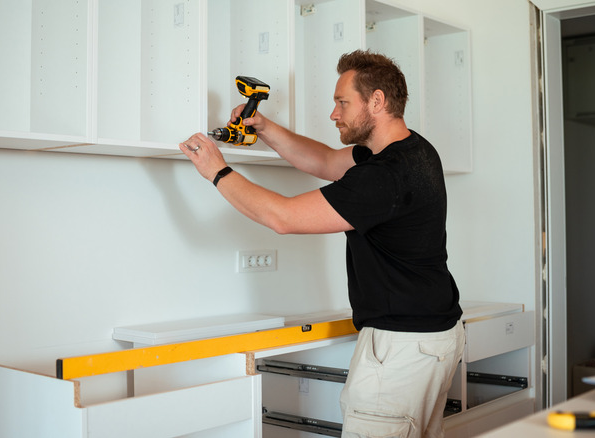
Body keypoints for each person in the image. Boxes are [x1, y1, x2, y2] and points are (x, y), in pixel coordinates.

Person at [181, 49, 464, 438]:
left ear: (377, 101)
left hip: (400, 346)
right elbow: (328, 162)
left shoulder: (385, 176)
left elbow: (282, 217)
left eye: (342, 102)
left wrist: (217, 170)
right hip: (433, 337)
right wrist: (263, 126)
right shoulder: (413, 150)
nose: (334, 113)